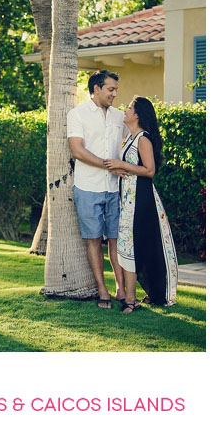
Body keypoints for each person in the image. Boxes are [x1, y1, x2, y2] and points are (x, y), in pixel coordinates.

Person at [103, 96, 178, 313]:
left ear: (137, 115)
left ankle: (131, 300)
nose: (125, 110)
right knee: (127, 247)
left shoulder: (143, 139)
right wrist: (119, 168)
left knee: (130, 246)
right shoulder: (131, 137)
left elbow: (149, 170)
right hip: (129, 200)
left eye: (129, 107)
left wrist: (121, 164)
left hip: (139, 200)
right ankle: (131, 298)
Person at [67, 70, 126, 309]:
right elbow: (77, 151)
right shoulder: (77, 114)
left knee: (116, 239)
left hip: (115, 188)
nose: (114, 94)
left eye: (115, 90)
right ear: (97, 88)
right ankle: (102, 289)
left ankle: (122, 289)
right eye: (110, 89)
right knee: (93, 240)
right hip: (87, 186)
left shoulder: (120, 116)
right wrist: (110, 165)